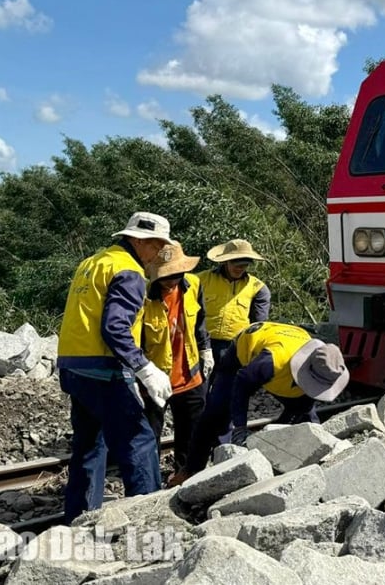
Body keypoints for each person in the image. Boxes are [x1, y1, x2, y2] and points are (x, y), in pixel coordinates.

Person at [56, 211, 175, 523]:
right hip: (104, 369)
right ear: (138, 240)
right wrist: (144, 368)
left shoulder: (93, 263)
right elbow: (115, 328)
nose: (158, 254)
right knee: (139, 440)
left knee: (90, 446)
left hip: (73, 367)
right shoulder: (129, 271)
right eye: (156, 246)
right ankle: (149, 520)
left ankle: (79, 520)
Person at [183, 322, 349, 477]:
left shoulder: (325, 364)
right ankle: (192, 471)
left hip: (282, 351)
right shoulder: (272, 362)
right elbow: (241, 386)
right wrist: (240, 427)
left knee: (304, 415)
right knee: (216, 411)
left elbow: (305, 409)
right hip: (244, 351)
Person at [140, 241, 209, 488]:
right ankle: (150, 485)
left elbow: (200, 320)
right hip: (155, 379)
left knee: (191, 436)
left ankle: (185, 478)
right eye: (166, 276)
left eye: (176, 274)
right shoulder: (144, 296)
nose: (172, 280)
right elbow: (135, 338)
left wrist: (205, 349)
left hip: (190, 375)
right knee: (149, 436)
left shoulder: (194, 286)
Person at [197, 239, 271, 363]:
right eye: (235, 263)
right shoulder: (200, 280)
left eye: (244, 264)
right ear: (226, 261)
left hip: (236, 348)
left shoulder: (258, 288)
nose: (240, 268)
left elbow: (259, 325)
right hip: (202, 344)